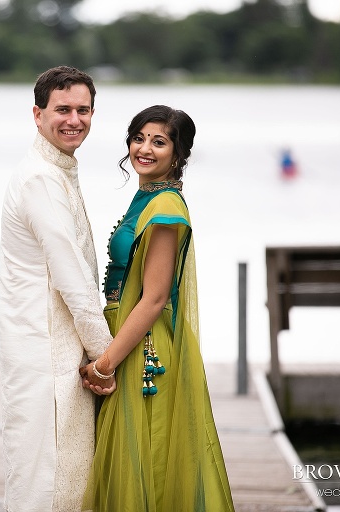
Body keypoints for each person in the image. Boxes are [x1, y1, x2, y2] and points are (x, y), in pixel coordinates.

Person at [80, 105, 235, 511]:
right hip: (125, 336)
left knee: (145, 467)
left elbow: (154, 298)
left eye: (159, 141)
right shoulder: (146, 196)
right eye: (139, 138)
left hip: (143, 350)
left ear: (178, 154)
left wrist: (104, 365)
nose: (144, 149)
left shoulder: (165, 208)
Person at [0, 66, 115, 512]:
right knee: (49, 482)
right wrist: (107, 359)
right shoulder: (42, 179)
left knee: (54, 477)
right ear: (37, 114)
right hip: (47, 354)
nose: (74, 120)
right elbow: (76, 285)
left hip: (53, 351)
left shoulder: (55, 168)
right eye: (62, 109)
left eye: (83, 110)